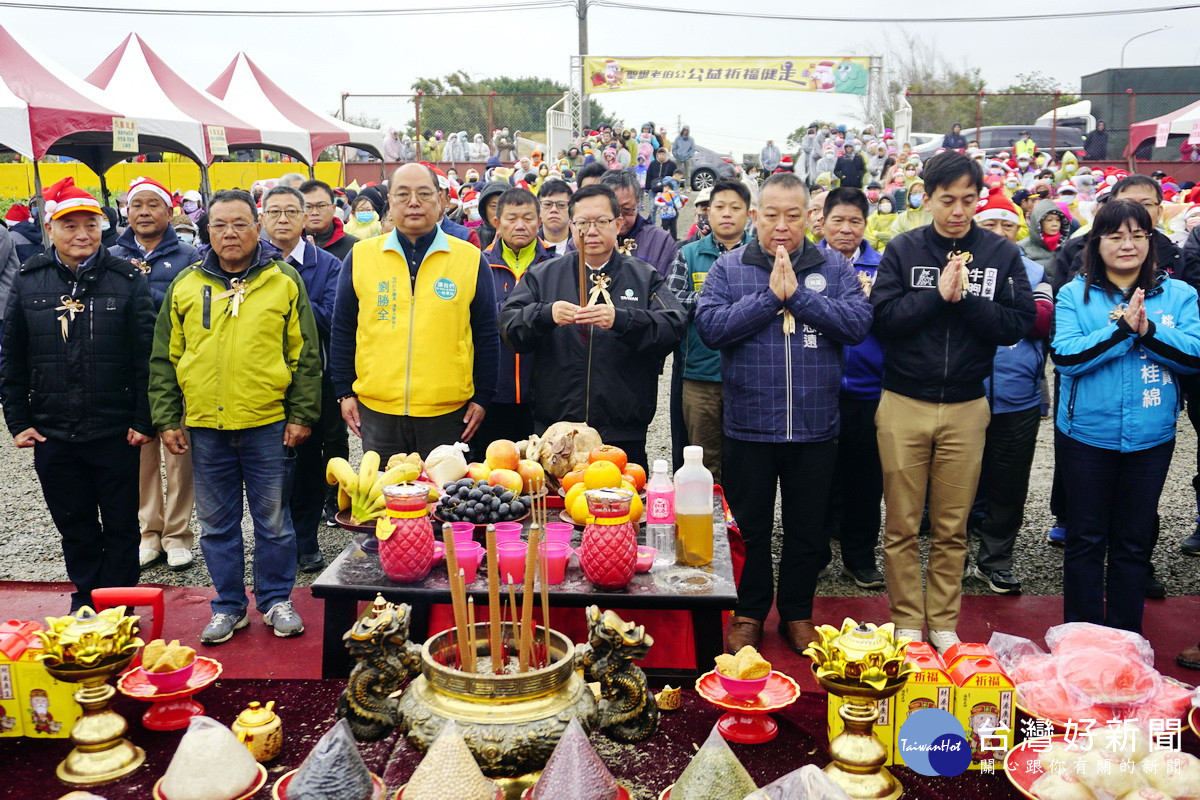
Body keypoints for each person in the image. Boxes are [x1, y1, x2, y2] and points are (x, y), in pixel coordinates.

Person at [696, 172, 872, 654]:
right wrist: (770, 297)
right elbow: (711, 326)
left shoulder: (833, 267)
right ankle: (749, 612)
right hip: (749, 424)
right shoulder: (730, 269)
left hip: (815, 427)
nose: (781, 226)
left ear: (808, 218)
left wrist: (800, 296)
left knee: (807, 528)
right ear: (755, 217)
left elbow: (858, 323)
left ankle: (797, 613)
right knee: (749, 527)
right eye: (770, 215)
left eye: (792, 216)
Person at [871, 151, 1035, 652]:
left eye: (968, 200)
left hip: (967, 405)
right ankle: (905, 621)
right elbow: (882, 319)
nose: (958, 211)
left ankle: (943, 623)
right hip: (903, 401)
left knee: (952, 524)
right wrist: (936, 295)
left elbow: (1018, 323)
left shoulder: (1001, 254)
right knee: (900, 523)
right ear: (927, 198)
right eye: (948, 200)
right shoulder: (903, 249)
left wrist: (966, 299)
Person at [150, 189, 321, 644]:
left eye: (240, 223)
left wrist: (302, 413)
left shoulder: (283, 280)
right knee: (218, 524)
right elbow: (165, 358)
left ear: (257, 225)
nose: (230, 233)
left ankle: (275, 599)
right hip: (207, 428)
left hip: (267, 423)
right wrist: (168, 418)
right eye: (220, 225)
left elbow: (304, 355)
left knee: (274, 522)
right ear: (206, 230)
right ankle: (228, 606)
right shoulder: (186, 284)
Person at [0, 178, 156, 612]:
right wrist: (18, 420)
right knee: (75, 524)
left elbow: (147, 356)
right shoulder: (30, 279)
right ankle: (86, 599)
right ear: (50, 229)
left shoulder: (126, 280)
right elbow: (11, 354)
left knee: (122, 525)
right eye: (70, 226)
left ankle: (119, 603)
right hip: (53, 431)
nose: (81, 234)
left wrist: (143, 421)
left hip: (114, 429)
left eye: (91, 224)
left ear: (103, 227)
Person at [1053, 199, 1200, 632]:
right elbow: (1065, 356)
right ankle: (1079, 636)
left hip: (1151, 438)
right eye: (1115, 236)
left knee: (1133, 544)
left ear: (1151, 241)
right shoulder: (1073, 294)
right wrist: (1121, 329)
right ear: (1096, 243)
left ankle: (1124, 638)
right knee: (1084, 541)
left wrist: (1149, 331)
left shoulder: (1181, 294)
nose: (1127, 244)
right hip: (1085, 437)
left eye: (1138, 235)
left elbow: (1194, 357)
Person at [497, 184, 686, 469]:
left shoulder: (643, 275)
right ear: (571, 226)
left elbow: (674, 325)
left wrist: (622, 319)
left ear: (618, 224)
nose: (592, 231)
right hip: (555, 429)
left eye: (601, 222)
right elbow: (510, 326)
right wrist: (546, 314)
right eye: (583, 223)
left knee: (620, 506)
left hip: (622, 430)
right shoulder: (544, 274)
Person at [330, 163, 499, 461]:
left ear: (442, 200)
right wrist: (344, 391)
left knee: (445, 502)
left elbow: (486, 333)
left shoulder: (470, 259)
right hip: (378, 411)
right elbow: (343, 328)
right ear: (390, 202)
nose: (414, 203)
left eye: (424, 194)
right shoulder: (362, 256)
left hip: (447, 412)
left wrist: (483, 397)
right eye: (403, 194)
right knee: (384, 501)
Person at [109, 177, 200, 571]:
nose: (144, 211)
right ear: (126, 211)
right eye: (137, 205)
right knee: (140, 456)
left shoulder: (189, 256)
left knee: (179, 453)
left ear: (169, 211)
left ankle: (178, 534)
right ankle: (148, 531)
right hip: (128, 375)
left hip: (176, 372)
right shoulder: (110, 254)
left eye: (153, 204)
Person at [969, 190, 1055, 595]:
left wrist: (999, 291)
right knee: (956, 482)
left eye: (1008, 224)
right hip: (962, 393)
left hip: (1017, 395)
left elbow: (1038, 323)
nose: (1000, 232)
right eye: (990, 224)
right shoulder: (957, 264)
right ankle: (953, 560)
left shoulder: (1035, 271)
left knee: (1008, 482)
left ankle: (995, 559)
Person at [260, 185, 345, 571]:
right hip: (260, 380)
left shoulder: (326, 264)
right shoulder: (246, 261)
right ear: (262, 218)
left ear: (304, 218)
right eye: (274, 212)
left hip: (311, 380)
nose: (282, 220)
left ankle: (307, 540)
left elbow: (331, 318)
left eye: (291, 212)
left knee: (308, 463)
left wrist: (281, 296)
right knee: (266, 467)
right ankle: (273, 542)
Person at [816, 187, 887, 590]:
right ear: (821, 222)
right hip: (818, 389)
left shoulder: (883, 267)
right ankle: (817, 555)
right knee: (817, 477)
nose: (846, 229)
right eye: (838, 220)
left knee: (865, 478)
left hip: (866, 390)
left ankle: (860, 559)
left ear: (865, 225)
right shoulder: (807, 264)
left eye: (855, 221)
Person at [666, 179, 752, 481]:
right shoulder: (689, 254)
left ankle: (743, 525)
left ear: (749, 214)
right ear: (707, 213)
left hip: (750, 375)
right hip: (700, 375)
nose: (726, 214)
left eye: (735, 208)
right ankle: (710, 524)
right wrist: (713, 299)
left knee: (746, 458)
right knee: (703, 460)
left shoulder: (761, 255)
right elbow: (671, 302)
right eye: (719, 207)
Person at [478, 188, 555, 447]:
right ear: (497, 223)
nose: (520, 225)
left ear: (539, 221)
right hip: (493, 393)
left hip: (543, 394)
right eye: (512, 218)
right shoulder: (480, 265)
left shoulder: (557, 265)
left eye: (528, 217)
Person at [302, 180, 359, 262]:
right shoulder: (289, 245)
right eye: (308, 207)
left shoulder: (353, 246)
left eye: (321, 206)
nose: (315, 213)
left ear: (334, 208)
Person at [1019, 199, 1070, 271]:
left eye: (1058, 220)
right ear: (1039, 222)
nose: (1055, 224)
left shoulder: (1067, 246)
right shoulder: (1023, 248)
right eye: (1049, 220)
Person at [538, 179, 572, 255]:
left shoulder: (581, 244)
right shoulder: (528, 244)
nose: (554, 210)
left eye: (561, 205)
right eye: (547, 204)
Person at [644, 148, 677, 223]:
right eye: (660, 154)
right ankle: (652, 226)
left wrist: (672, 190)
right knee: (652, 208)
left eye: (663, 154)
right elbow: (648, 176)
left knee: (665, 209)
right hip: (653, 190)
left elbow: (674, 179)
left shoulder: (672, 164)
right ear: (657, 155)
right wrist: (648, 188)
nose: (661, 156)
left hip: (666, 191)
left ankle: (664, 226)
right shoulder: (653, 163)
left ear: (666, 155)